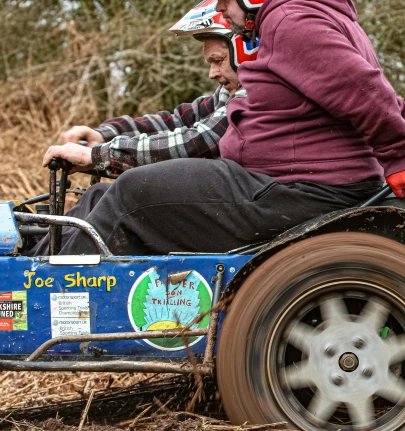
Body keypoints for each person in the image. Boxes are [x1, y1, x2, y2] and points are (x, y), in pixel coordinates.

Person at [49, 0, 405, 256]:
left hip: (301, 189)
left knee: (134, 191)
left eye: (226, 0)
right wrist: (108, 135)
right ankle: (42, 255)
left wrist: (396, 155)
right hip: (292, 181)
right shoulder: (299, 18)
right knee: (105, 195)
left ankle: (54, 296)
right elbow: (194, 114)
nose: (219, 8)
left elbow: (364, 89)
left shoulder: (293, 22)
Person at [32, 2, 255, 256]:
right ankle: (34, 263)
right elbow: (177, 121)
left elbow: (198, 142)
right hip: (225, 201)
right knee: (98, 196)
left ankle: (46, 282)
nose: (211, 73)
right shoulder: (230, 92)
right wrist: (104, 135)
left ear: (244, 51)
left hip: (237, 209)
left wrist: (97, 156)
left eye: (218, 61)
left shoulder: (253, 92)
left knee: (130, 188)